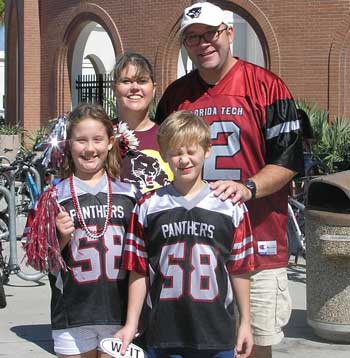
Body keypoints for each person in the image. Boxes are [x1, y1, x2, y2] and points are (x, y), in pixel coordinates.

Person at [154, 3, 304, 358]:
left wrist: (248, 187)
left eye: (210, 34)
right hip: (192, 246)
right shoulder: (176, 96)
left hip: (257, 239)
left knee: (254, 346)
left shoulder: (267, 86)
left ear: (229, 33)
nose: (203, 43)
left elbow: (289, 159)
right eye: (192, 38)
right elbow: (156, 154)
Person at [116, 111, 255, 358]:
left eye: (191, 151)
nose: (184, 159)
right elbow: (138, 269)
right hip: (164, 330)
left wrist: (245, 322)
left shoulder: (229, 205)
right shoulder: (148, 205)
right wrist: (131, 323)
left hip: (216, 331)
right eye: (176, 153)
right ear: (164, 155)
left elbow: (239, 268)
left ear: (207, 150)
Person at [48, 103, 138, 358]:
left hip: (119, 312)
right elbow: (39, 260)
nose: (89, 148)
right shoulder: (54, 197)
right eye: (81, 140)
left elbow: (142, 260)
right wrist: (60, 238)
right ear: (69, 144)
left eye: (97, 139)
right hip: (72, 313)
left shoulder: (129, 195)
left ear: (110, 142)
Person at [112, 52, 172, 193]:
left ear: (154, 89)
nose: (135, 87)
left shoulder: (169, 137)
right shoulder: (100, 136)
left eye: (142, 81)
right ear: (114, 88)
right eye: (126, 81)